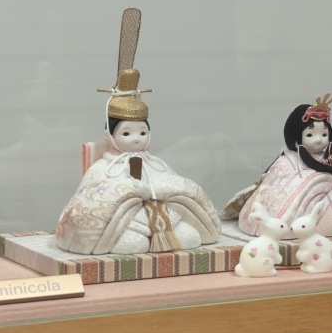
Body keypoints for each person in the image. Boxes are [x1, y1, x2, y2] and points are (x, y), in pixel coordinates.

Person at [55, 56, 221, 256]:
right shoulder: (103, 168)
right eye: (126, 133)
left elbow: (174, 183)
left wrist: (164, 189)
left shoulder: (156, 163)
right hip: (128, 223)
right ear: (109, 135)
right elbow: (88, 199)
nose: (136, 139)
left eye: (142, 133)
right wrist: (129, 191)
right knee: (133, 244)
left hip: (164, 219)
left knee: (189, 237)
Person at [223, 95, 332, 238]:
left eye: (324, 134)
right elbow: (276, 187)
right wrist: (316, 182)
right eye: (310, 134)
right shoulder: (287, 162)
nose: (319, 140)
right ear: (296, 137)